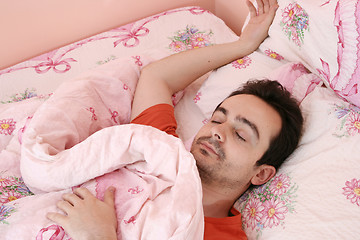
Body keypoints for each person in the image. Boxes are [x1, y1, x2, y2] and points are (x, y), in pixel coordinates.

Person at [46, 0, 303, 239]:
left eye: (240, 134)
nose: (217, 132)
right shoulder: (159, 150)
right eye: (217, 119)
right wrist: (243, 45)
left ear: (261, 174)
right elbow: (157, 77)